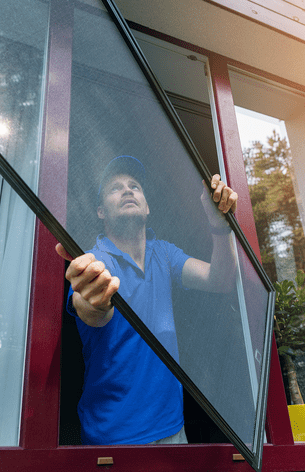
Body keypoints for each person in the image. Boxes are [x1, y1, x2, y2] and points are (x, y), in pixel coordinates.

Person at [55, 155, 238, 445]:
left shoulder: (163, 253)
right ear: (101, 212)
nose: (128, 190)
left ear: (148, 206)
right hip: (115, 439)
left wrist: (220, 226)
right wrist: (93, 302)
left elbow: (221, 280)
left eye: (134, 186)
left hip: (174, 429)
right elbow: (91, 309)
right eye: (115, 188)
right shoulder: (96, 261)